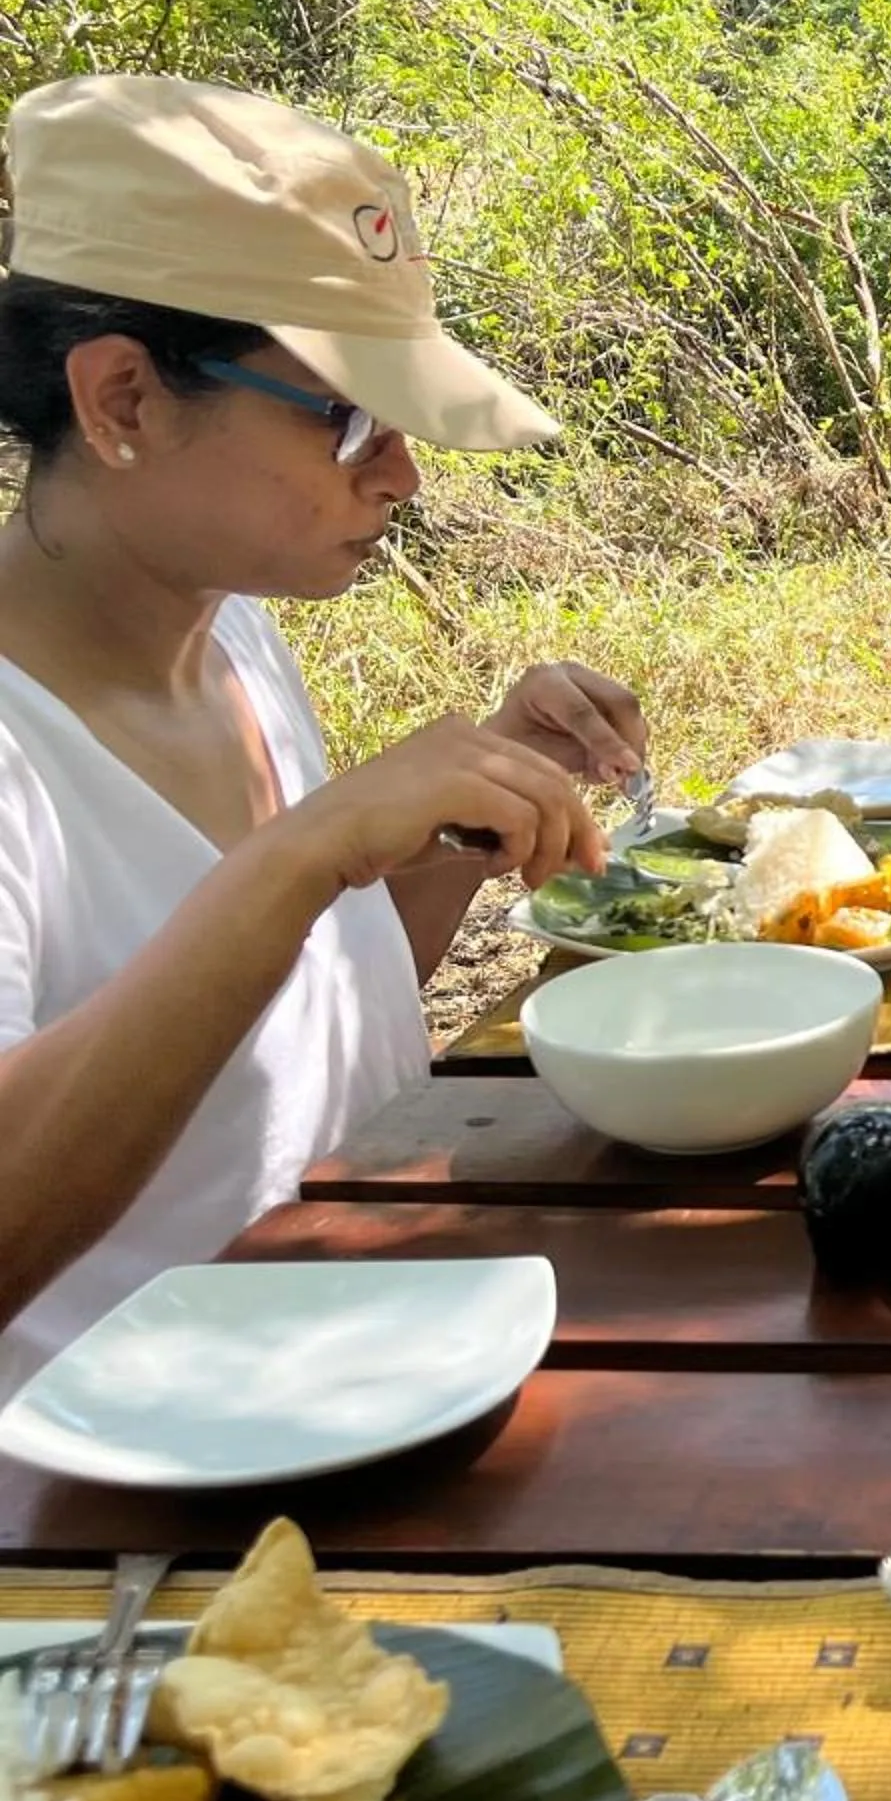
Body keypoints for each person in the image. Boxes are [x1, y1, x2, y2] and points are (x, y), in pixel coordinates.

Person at [0, 74, 641, 1396]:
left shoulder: (228, 633)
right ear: (122, 400)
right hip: (127, 1515)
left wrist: (459, 825)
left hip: (366, 1381)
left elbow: (298, 1035)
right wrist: (300, 855)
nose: (402, 476)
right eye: (348, 414)